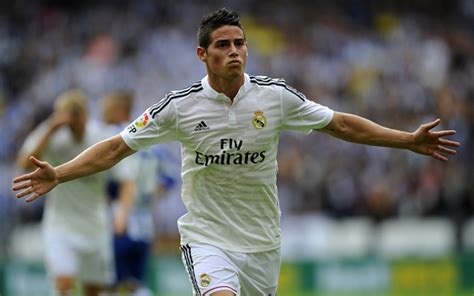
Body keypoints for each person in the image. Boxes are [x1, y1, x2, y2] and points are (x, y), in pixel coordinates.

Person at [12, 8, 460, 296]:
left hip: (262, 242)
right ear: (202, 54)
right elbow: (114, 148)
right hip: (207, 239)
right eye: (223, 45)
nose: (234, 53)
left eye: (240, 44)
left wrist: (407, 140)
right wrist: (61, 173)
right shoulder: (178, 106)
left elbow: (340, 123)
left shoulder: (275, 97)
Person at [15, 90, 115, 296]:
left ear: (86, 115)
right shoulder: (51, 134)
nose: (72, 125)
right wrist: (51, 128)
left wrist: (122, 209)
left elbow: (124, 176)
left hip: (94, 225)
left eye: (76, 118)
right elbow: (24, 163)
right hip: (60, 225)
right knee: (63, 288)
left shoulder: (100, 136)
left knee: (93, 291)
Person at [101, 91, 160, 295]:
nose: (103, 113)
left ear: (119, 110)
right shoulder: (148, 142)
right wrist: (149, 197)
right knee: (137, 282)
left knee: (113, 283)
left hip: (118, 216)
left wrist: (120, 212)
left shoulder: (112, 137)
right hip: (143, 219)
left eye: (107, 109)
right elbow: (168, 177)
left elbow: (126, 182)